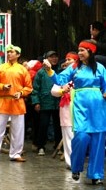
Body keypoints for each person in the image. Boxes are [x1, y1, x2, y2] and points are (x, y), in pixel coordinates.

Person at [43, 40, 106, 185]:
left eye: (83, 50)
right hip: (81, 105)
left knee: (98, 139)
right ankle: (76, 167)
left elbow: (105, 84)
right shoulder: (74, 67)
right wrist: (49, 70)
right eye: (78, 50)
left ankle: (96, 175)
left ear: (91, 52)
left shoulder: (101, 68)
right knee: (81, 137)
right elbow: (59, 80)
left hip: (98, 107)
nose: (79, 53)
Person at [0, 44, 32, 163]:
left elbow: (29, 87)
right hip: (3, 100)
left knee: (18, 129)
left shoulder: (22, 69)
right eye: (8, 52)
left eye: (12, 52)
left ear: (18, 55)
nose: (9, 54)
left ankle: (16, 153)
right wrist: (2, 86)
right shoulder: (0, 68)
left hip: (17, 101)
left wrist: (21, 93)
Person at [50, 51, 78, 169]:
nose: (67, 62)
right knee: (68, 135)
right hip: (66, 108)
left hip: (80, 108)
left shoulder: (82, 74)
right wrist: (63, 91)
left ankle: (79, 159)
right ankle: (71, 162)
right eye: (66, 60)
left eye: (70, 59)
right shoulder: (61, 76)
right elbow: (53, 91)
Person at [31, 50, 62, 156]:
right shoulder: (41, 72)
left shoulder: (60, 70)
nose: (54, 59)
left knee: (58, 125)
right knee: (43, 125)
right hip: (45, 102)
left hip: (58, 103)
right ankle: (41, 146)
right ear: (46, 59)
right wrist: (36, 102)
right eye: (51, 57)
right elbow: (35, 89)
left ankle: (59, 146)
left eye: (56, 57)